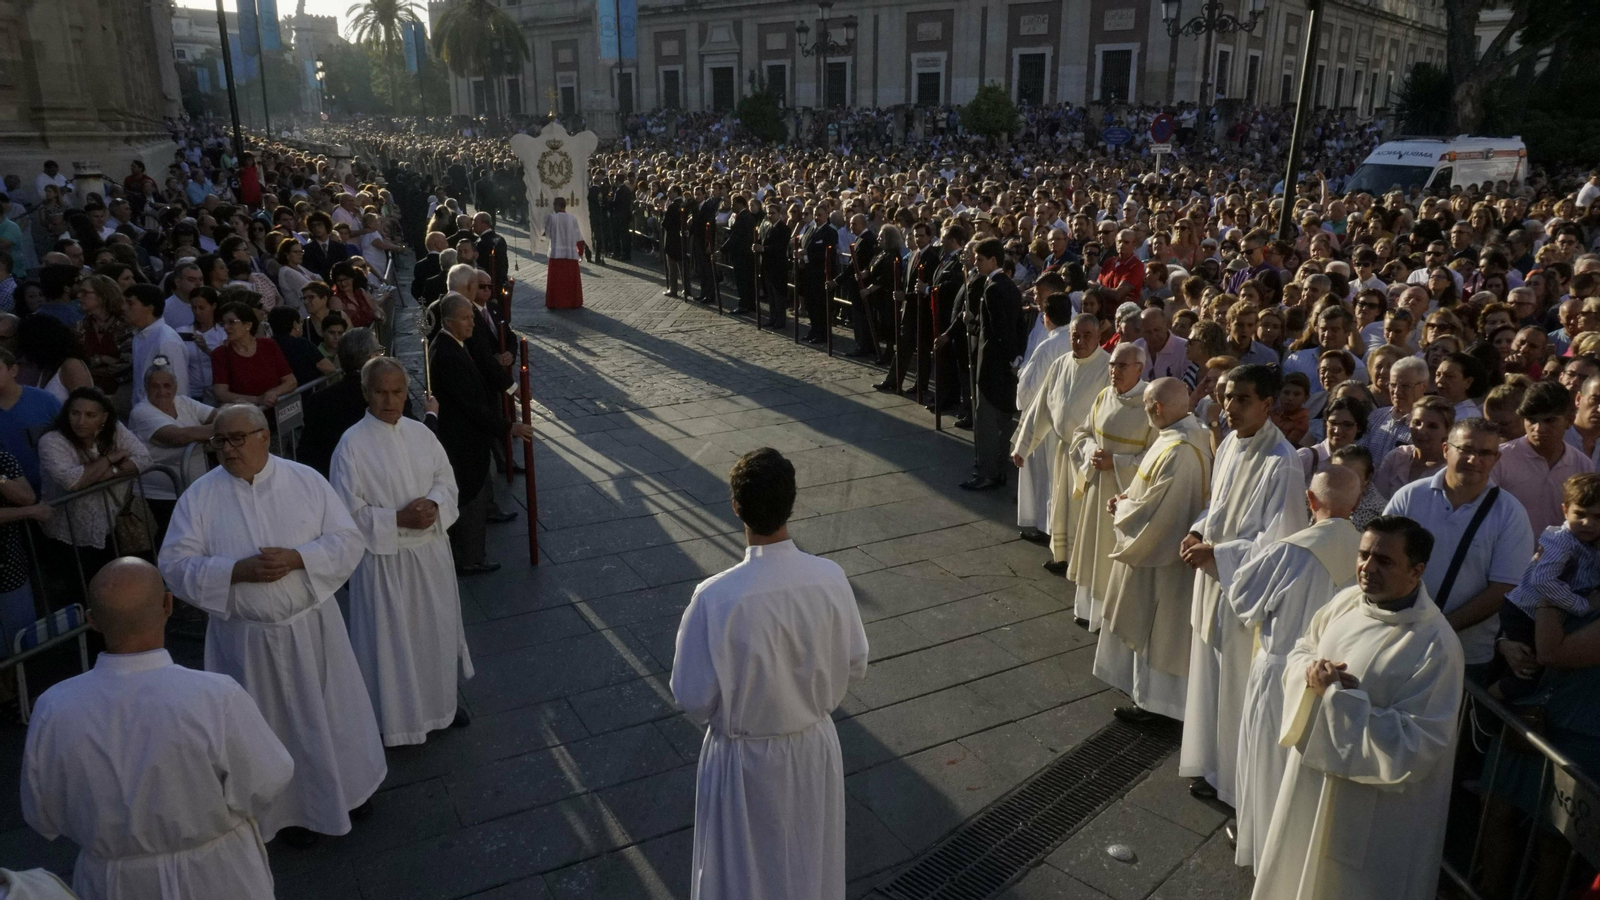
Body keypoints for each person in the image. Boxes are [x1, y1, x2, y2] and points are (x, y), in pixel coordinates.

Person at [158, 404, 386, 847]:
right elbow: (174, 564)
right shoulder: (200, 497)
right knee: (265, 729)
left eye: (236, 438)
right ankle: (285, 812)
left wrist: (300, 557)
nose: (227, 449)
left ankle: (348, 793)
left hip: (311, 629)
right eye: (219, 441)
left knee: (331, 716)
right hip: (246, 641)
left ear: (264, 436)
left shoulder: (305, 481)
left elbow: (346, 540)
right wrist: (233, 572)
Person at [19, 558, 293, 900]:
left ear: (92, 621)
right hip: (219, 875)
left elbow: (42, 813)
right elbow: (267, 780)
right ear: (167, 604)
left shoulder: (53, 708)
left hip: (113, 883)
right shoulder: (216, 696)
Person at [671, 447, 869, 900]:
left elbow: (692, 696)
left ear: (736, 507)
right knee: (808, 867)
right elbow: (855, 662)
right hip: (812, 749)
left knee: (742, 876)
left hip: (743, 761)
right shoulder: (831, 578)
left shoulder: (714, 598)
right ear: (792, 503)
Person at [1250, 516, 1465, 900]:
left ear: (1417, 570)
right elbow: (1304, 646)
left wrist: (1339, 698)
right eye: (1363, 555)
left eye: (1383, 560)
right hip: (1311, 779)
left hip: (1374, 807)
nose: (1367, 568)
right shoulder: (1349, 600)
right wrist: (1310, 672)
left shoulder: (1436, 646)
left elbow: (1418, 743)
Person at [1180, 363, 1308, 804]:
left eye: (1241, 399)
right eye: (1226, 396)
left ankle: (1233, 786)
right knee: (1211, 680)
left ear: (1267, 404)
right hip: (1214, 578)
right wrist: (1199, 530)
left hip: (1244, 592)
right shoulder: (1232, 442)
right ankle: (1211, 766)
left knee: (1234, 688)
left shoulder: (1284, 463)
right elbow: (1217, 506)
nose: (1228, 407)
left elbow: (1279, 542)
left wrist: (1218, 554)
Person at [1227, 467, 1363, 870]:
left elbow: (1243, 599)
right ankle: (1296, 863)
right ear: (1355, 505)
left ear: (1310, 500)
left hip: (1281, 670)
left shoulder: (1290, 550)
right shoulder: (1368, 555)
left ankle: (1261, 855)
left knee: (1268, 764)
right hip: (1335, 681)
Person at [331, 358, 471, 746]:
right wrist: (396, 519)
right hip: (385, 563)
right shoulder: (351, 445)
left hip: (430, 554)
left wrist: (434, 505)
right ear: (366, 393)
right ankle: (396, 722)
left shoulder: (421, 434)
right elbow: (344, 512)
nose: (390, 400)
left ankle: (442, 704)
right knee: (392, 644)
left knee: (435, 632)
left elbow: (446, 479)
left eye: (397, 392)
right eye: (380, 392)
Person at [1095, 377, 1212, 722]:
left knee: (1161, 634)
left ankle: (1157, 707)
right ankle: (1149, 699)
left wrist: (1122, 510)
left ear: (1157, 408)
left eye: (1147, 406)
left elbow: (1158, 512)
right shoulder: (1188, 435)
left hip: (1162, 557)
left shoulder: (1179, 450)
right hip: (1167, 552)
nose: (1146, 412)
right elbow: (1148, 491)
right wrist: (1127, 496)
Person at [1385, 417, 1535, 682]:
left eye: (1485, 453)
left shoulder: (1510, 514)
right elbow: (1381, 559)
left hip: (1465, 655)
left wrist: (1439, 628)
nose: (1474, 459)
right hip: (1396, 641)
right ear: (1446, 449)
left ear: (1496, 459)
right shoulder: (1410, 496)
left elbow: (1503, 589)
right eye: (1466, 449)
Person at [429, 295, 533, 575]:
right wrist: (508, 426)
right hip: (463, 440)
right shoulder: (447, 353)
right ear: (449, 321)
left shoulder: (454, 345)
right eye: (466, 318)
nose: (472, 322)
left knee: (476, 493)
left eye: (472, 316)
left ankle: (472, 553)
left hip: (470, 436)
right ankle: (470, 558)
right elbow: (470, 406)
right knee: (470, 498)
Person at [1011, 312, 1110, 569]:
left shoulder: (1108, 368)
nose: (1080, 341)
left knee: (1083, 511)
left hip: (1089, 454)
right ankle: (1063, 557)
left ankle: (1084, 562)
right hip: (1062, 449)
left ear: (1099, 336)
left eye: (1087, 336)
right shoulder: (1061, 363)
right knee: (1061, 505)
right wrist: (1023, 446)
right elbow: (1041, 407)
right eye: (1075, 336)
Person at [1492, 472, 1600, 702]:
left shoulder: (1589, 544)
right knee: (1526, 672)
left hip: (1546, 618)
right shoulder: (1562, 540)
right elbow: (1544, 581)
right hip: (1524, 612)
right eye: (1580, 514)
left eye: (1597, 517)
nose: (1588, 523)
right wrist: (1582, 605)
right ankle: (1481, 708)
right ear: (1565, 511)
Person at [1064, 343, 1153, 621]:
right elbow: (1083, 433)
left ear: (1139, 368)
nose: (1114, 371)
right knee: (1092, 547)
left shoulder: (1151, 404)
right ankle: (1086, 609)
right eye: (1113, 365)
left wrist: (1116, 462)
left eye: (1122, 366)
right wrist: (1091, 453)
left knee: (1111, 554)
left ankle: (1109, 615)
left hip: (1125, 493)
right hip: (1096, 487)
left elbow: (1156, 457)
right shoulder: (1104, 396)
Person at [37, 387, 153, 581]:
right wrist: (109, 459)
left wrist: (110, 472)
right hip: (70, 533)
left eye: (90, 415)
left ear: (103, 417)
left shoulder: (114, 429)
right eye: (75, 413)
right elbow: (72, 482)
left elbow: (144, 459)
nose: (81, 421)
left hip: (114, 523)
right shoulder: (52, 441)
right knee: (80, 587)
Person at [953, 238, 1026, 491]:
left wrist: (972, 324)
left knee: (986, 425)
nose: (976, 263)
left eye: (980, 259)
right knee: (1003, 423)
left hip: (992, 366)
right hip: (1007, 366)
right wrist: (1016, 356)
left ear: (993, 260)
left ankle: (986, 474)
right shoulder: (1009, 286)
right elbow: (1016, 326)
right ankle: (998, 470)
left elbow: (997, 330)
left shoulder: (992, 288)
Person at [1011, 293, 1075, 542]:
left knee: (1044, 475)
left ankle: (1045, 525)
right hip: (1068, 420)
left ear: (1046, 317)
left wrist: (1023, 404)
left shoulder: (1049, 346)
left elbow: (1029, 389)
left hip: (1044, 419)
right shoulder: (1075, 339)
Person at [1490, 380, 1594, 533]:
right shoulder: (1498, 459)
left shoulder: (1583, 466)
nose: (1538, 428)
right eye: (1531, 420)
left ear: (1569, 420)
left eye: (1550, 420)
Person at [127, 365, 214, 535]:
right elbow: (177, 437)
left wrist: (225, 419)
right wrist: (226, 426)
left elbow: (217, 414)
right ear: (146, 388)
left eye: (167, 385)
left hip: (194, 492)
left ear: (175, 387)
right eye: (155, 386)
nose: (162, 391)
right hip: (161, 498)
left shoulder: (183, 402)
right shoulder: (141, 412)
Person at [210, 302, 295, 408]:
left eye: (231, 322)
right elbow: (221, 393)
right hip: (245, 416)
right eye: (223, 323)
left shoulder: (268, 345)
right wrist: (257, 400)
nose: (226, 327)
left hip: (277, 412)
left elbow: (290, 381)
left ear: (248, 325)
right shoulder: (220, 354)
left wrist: (274, 393)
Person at [124, 284, 188, 406]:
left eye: (130, 303)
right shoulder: (138, 337)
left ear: (149, 308)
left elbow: (179, 388)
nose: (124, 308)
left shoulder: (167, 341)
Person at [542, 197, 584, 310]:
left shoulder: (552, 218)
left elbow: (548, 234)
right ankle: (572, 302)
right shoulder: (572, 218)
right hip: (570, 253)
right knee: (569, 281)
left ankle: (555, 302)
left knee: (557, 281)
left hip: (556, 253)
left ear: (556, 206)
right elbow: (578, 236)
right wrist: (580, 252)